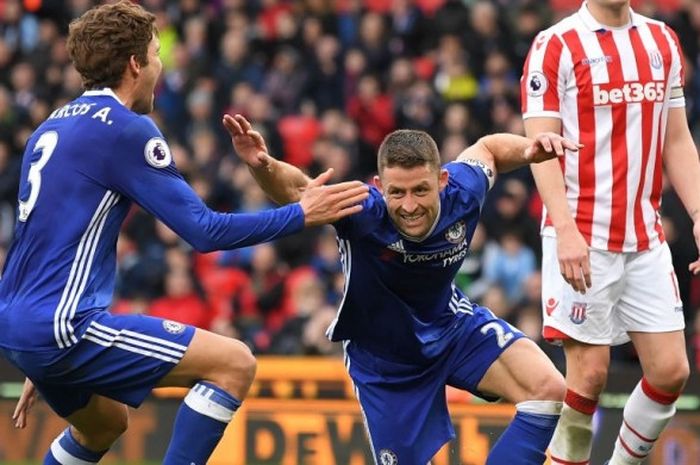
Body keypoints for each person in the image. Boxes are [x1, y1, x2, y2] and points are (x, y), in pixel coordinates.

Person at [1, 2, 369, 464]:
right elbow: (204, 231)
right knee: (233, 363)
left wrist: (35, 337)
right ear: (135, 64)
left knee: (105, 425)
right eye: (156, 54)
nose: (161, 66)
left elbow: (35, 240)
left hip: (20, 320)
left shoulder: (50, 126)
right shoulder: (127, 130)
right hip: (58, 328)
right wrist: (301, 214)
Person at [225, 113, 581, 465]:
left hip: (452, 329)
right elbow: (301, 190)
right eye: (397, 192)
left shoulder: (464, 191)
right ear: (380, 186)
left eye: (420, 190)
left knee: (547, 389)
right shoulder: (362, 210)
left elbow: (488, 148)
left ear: (442, 180)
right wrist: (263, 165)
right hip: (384, 363)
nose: (409, 206)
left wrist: (528, 150)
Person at [521, 1, 700, 464]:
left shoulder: (662, 41)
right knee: (589, 375)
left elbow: (675, 138)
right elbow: (539, 147)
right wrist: (564, 229)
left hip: (644, 235)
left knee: (670, 371)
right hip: (581, 232)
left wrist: (699, 212)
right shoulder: (555, 44)